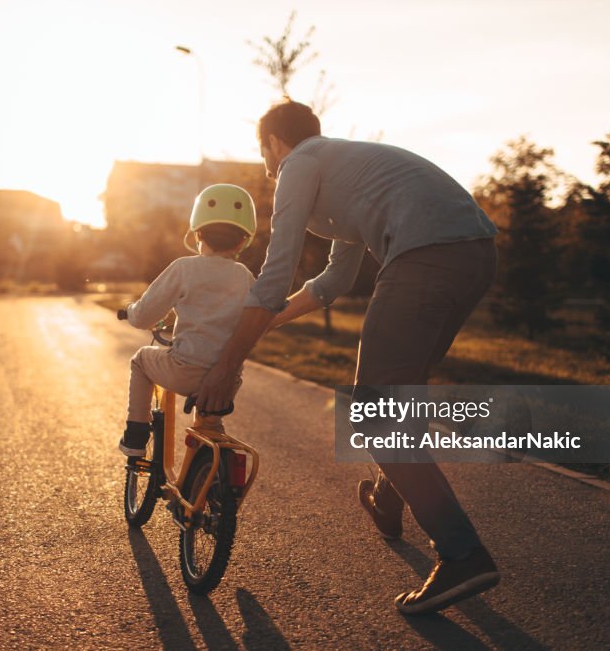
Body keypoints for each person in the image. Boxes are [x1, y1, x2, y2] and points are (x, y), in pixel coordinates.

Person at [195, 99, 500, 615]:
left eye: (262, 149)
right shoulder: (344, 169)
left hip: (425, 255)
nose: (265, 162)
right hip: (475, 253)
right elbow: (334, 281)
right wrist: (263, 323)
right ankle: (387, 496)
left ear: (273, 143)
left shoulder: (300, 164)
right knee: (400, 394)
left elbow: (276, 274)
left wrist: (228, 363)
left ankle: (462, 552)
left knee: (373, 409)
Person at [118, 184, 257, 456]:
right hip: (227, 381)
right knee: (209, 427)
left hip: (184, 371)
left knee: (141, 360)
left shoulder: (184, 268)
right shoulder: (244, 276)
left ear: (198, 233)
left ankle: (135, 435)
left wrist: (131, 311)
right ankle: (207, 474)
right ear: (243, 240)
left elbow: (145, 315)